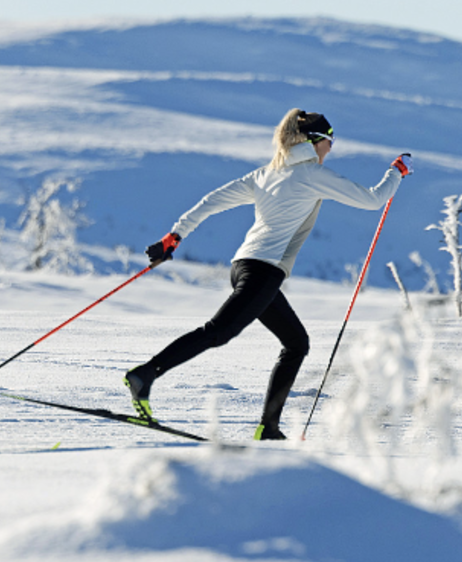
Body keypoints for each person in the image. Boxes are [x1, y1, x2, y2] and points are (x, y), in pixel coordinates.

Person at [126, 110, 410, 439]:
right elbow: (374, 199)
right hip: (262, 271)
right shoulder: (310, 175)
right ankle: (146, 374)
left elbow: (211, 201)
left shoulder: (266, 174)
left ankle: (269, 427)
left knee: (296, 343)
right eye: (329, 143)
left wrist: (174, 236)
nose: (330, 151)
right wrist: (397, 171)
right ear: (314, 141)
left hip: (244, 266)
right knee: (218, 332)